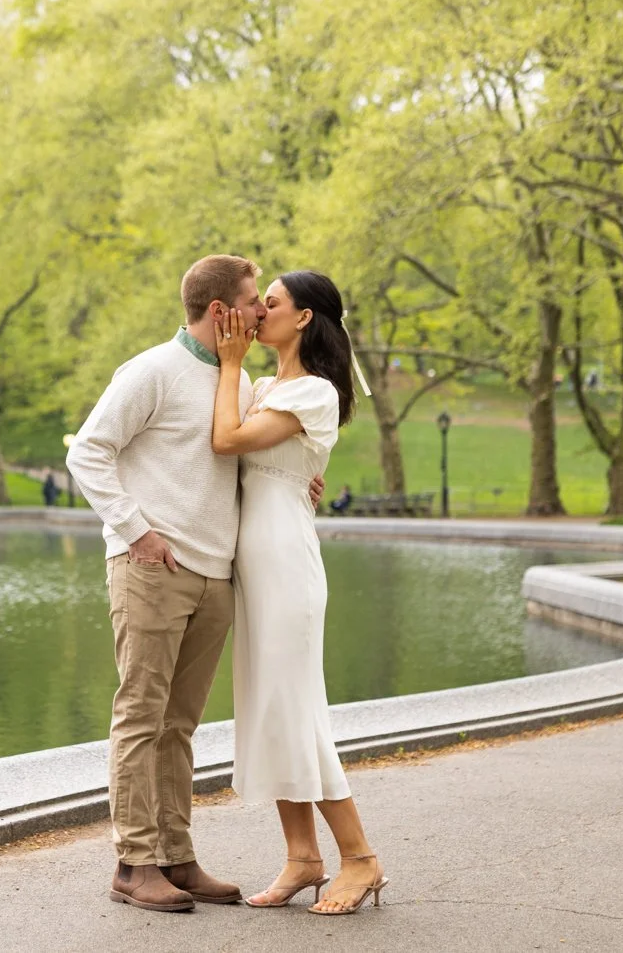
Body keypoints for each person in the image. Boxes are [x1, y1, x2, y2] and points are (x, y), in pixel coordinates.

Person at [68, 254, 324, 914]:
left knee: (178, 725)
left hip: (217, 577)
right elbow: (87, 451)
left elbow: (238, 457)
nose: (263, 312)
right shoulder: (152, 370)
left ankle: (176, 857)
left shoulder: (240, 384)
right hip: (152, 569)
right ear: (221, 311)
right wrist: (136, 530)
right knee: (141, 714)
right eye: (253, 301)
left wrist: (299, 479)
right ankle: (134, 861)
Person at [210, 271, 388, 916]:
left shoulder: (312, 391)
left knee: (296, 709)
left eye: (272, 304)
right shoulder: (265, 387)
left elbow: (227, 440)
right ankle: (302, 857)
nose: (258, 313)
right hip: (253, 565)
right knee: (268, 708)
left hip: (285, 564)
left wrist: (228, 363)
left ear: (304, 318)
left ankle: (361, 858)